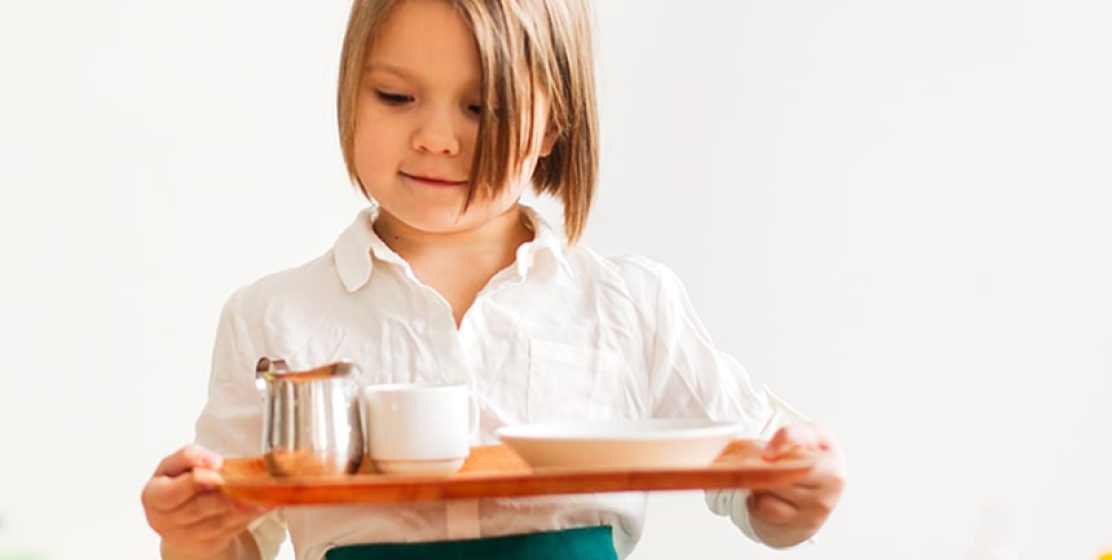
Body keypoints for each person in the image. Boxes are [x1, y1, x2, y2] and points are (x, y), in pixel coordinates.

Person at [139, 0, 846, 558]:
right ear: (350, 88)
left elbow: (762, 474)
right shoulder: (272, 317)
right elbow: (235, 547)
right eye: (394, 96)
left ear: (553, 124)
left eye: (482, 107)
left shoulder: (629, 304)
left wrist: (797, 495)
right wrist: (190, 534)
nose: (437, 137)